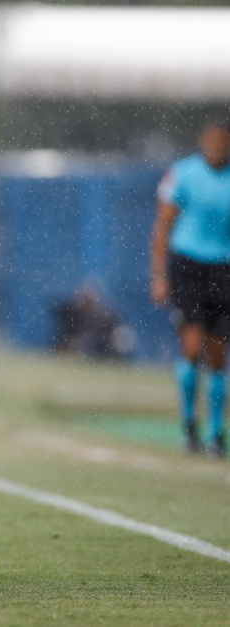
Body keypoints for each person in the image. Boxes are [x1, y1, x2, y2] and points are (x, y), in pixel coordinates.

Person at [150, 119, 230, 459]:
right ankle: (188, 425)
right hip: (188, 267)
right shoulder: (182, 174)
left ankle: (216, 433)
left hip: (223, 269)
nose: (216, 148)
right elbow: (163, 225)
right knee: (192, 347)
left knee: (217, 353)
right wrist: (159, 274)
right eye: (212, 141)